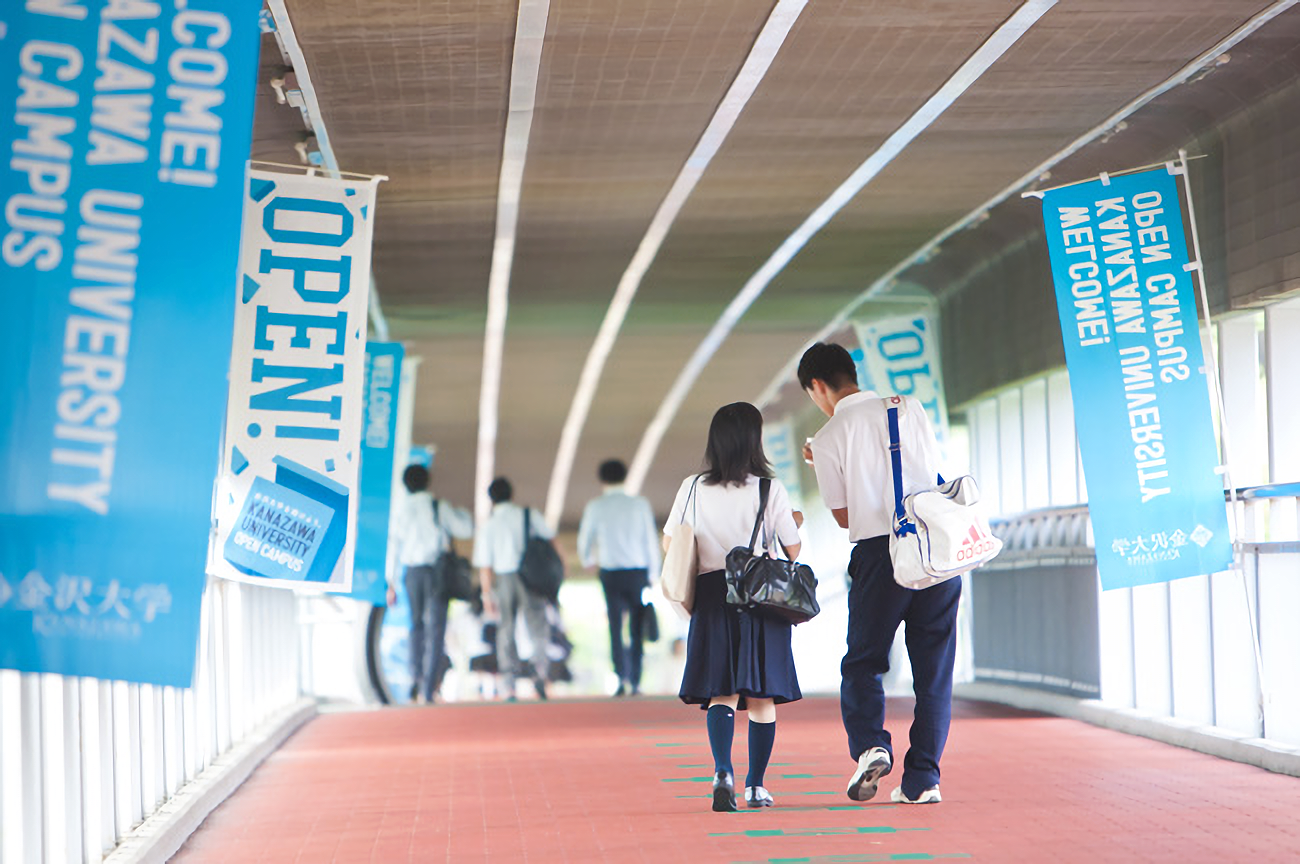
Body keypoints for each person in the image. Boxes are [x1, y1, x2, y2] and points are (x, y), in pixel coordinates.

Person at [798, 341, 957, 806]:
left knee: (864, 661)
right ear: (851, 372)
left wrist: (823, 462)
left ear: (818, 386)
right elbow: (925, 471)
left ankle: (871, 746)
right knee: (934, 670)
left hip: (879, 554)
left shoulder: (827, 438)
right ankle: (923, 779)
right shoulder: (909, 407)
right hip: (933, 548)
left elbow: (846, 516)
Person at [663, 402, 803, 812]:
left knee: (720, 692)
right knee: (761, 698)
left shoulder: (691, 487)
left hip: (711, 594)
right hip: (760, 597)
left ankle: (721, 769)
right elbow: (793, 549)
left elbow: (671, 543)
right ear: (753, 440)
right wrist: (793, 521)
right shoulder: (767, 487)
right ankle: (756, 786)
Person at [577, 458, 661, 697]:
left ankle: (620, 678)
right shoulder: (640, 504)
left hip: (610, 572)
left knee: (615, 625)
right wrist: (653, 573)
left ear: (602, 479)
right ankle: (636, 680)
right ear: (625, 477)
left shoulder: (596, 506)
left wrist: (587, 561)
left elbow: (586, 537)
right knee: (637, 626)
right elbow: (649, 540)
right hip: (637, 571)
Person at [392, 463, 474, 704]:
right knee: (436, 630)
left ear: (405, 484)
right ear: (428, 481)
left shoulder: (401, 510)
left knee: (415, 626)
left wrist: (390, 582)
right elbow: (466, 529)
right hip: (438, 572)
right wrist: (463, 512)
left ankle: (414, 680)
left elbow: (393, 546)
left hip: (412, 573)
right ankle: (429, 688)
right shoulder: (439, 506)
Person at [472, 477, 557, 701]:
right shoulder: (528, 514)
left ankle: (508, 685)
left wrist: (486, 594)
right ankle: (539, 675)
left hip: (504, 578)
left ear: (491, 499)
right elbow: (550, 540)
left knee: (505, 629)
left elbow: (485, 566)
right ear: (512, 494)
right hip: (531, 577)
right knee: (537, 627)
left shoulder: (488, 525)